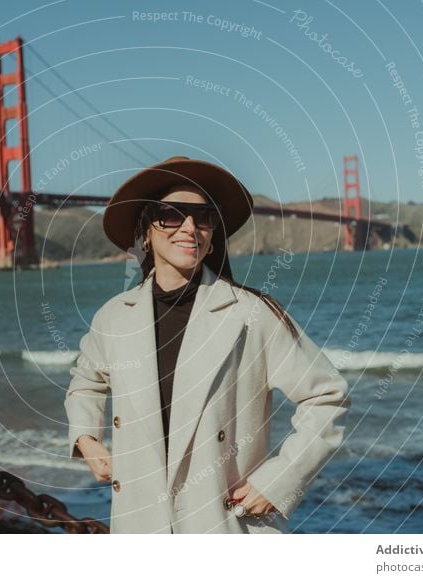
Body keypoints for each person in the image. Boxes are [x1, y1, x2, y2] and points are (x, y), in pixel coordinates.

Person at [64, 156, 351, 534]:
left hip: (223, 525)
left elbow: (327, 397)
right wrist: (87, 438)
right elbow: (86, 381)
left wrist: (278, 480)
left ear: (214, 231)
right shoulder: (114, 317)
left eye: (203, 217)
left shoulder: (252, 314)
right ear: (146, 230)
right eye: (171, 214)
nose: (189, 227)